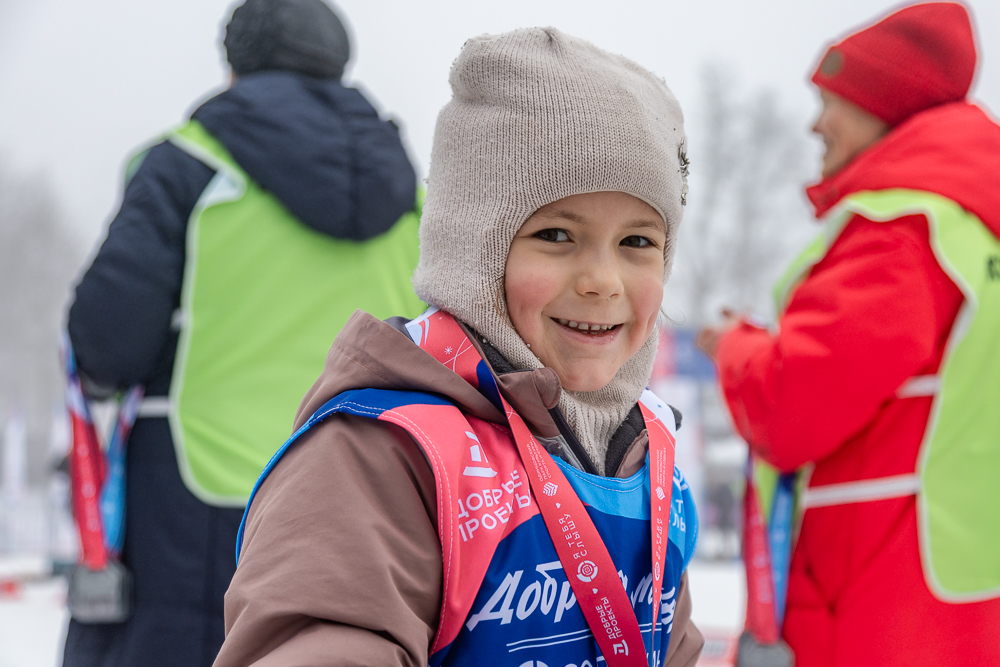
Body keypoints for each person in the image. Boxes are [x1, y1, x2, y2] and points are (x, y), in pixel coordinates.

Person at [213, 27, 704, 667]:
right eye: (556, 234)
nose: (603, 282)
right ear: (475, 252)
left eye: (638, 242)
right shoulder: (384, 454)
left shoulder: (649, 459)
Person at [64, 0, 424, 664]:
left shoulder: (186, 165)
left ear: (234, 67)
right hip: (362, 499)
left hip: (198, 499)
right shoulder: (414, 198)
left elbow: (106, 342)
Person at [697, 3, 1000, 666]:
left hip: (873, 609)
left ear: (885, 106)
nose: (816, 122)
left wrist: (735, 347)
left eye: (832, 101)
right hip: (948, 604)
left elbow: (790, 403)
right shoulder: (975, 235)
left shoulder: (900, 237)